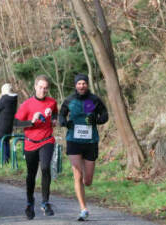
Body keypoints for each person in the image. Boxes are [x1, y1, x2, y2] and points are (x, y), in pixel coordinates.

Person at [59, 74, 108, 221]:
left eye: (84, 83)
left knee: (87, 180)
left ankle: (84, 200)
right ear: (75, 85)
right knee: (78, 176)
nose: (82, 86)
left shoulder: (92, 100)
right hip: (74, 141)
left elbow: (105, 115)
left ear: (87, 85)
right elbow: (62, 115)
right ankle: (83, 208)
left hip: (90, 142)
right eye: (79, 83)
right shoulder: (69, 100)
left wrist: (97, 120)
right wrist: (64, 123)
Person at [13, 75, 58, 220]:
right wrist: (31, 121)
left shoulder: (52, 102)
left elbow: (55, 112)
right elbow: (16, 123)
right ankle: (29, 202)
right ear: (35, 86)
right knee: (31, 174)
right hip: (31, 142)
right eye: (40, 87)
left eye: (45, 88)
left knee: (45, 168)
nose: (43, 90)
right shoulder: (27, 104)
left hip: (47, 140)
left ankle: (45, 202)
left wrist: (55, 120)